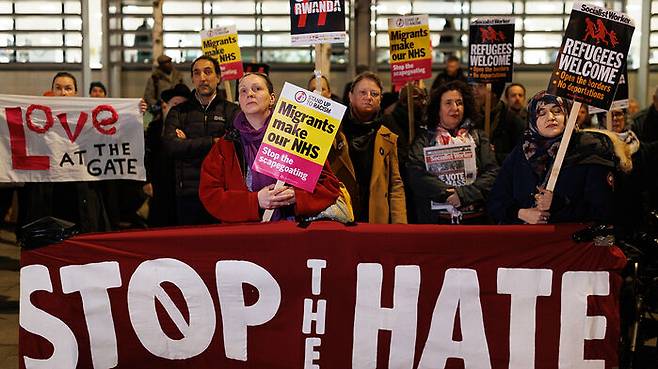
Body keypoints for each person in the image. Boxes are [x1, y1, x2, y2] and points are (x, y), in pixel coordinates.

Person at [199, 73, 341, 222]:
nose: (250, 94)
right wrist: (255, 201)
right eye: (243, 91)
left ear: (272, 98)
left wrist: (297, 196)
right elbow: (210, 194)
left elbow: (329, 186)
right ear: (239, 101)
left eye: (257, 88)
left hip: (292, 232)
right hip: (245, 236)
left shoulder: (297, 137)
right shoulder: (226, 145)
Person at [488, 91, 619, 224]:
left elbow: (604, 208)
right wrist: (520, 213)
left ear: (568, 115)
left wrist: (558, 203)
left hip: (570, 240)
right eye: (541, 113)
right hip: (527, 240)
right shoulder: (521, 152)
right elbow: (496, 201)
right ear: (532, 118)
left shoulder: (589, 150)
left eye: (557, 111)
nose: (550, 117)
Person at [18, 72, 111, 234]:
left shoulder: (88, 118)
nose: (63, 92)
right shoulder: (37, 119)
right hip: (50, 189)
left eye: (68, 88)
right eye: (58, 88)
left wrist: (135, 114)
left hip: (80, 188)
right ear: (52, 91)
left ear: (76, 93)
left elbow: (109, 138)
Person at [407, 80, 499, 224]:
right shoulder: (424, 138)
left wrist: (462, 195)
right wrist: (447, 193)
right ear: (438, 108)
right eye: (448, 103)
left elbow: (492, 173)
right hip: (436, 221)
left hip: (475, 219)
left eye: (459, 103)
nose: (455, 108)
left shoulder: (478, 137)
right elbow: (416, 173)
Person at [163, 55, 240, 225]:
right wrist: (213, 142)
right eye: (197, 73)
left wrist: (188, 143)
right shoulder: (179, 112)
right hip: (189, 193)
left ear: (218, 77)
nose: (202, 78)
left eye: (208, 72)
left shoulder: (232, 111)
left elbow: (234, 146)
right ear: (192, 78)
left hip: (222, 192)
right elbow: (171, 146)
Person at [329, 72, 407, 224]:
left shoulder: (388, 136)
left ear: (380, 100)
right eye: (362, 92)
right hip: (340, 214)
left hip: (375, 217)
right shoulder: (334, 131)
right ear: (350, 96)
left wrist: (400, 224)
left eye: (374, 94)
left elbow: (395, 185)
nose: (368, 97)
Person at [144, 83, 191, 227]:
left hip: (183, 186)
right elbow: (146, 156)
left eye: (183, 104)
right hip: (159, 184)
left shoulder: (191, 128)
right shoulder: (154, 128)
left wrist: (186, 142)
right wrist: (146, 181)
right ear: (166, 106)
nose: (178, 108)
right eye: (175, 104)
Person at [474, 82, 526, 165]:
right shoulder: (472, 118)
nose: (475, 91)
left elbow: (521, 156)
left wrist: (493, 155)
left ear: (494, 93)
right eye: (474, 86)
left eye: (481, 86)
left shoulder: (513, 121)